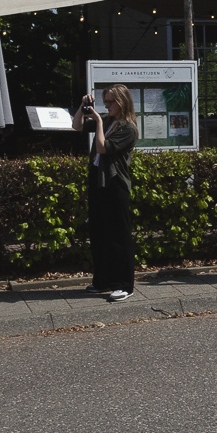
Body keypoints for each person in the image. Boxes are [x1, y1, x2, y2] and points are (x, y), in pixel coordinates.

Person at [71, 85, 138, 302]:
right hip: (98, 182)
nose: (107, 105)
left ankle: (124, 285)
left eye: (111, 102)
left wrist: (99, 121)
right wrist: (83, 107)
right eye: (105, 102)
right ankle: (102, 280)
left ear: (122, 102)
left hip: (115, 184)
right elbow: (76, 126)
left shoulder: (128, 128)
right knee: (99, 233)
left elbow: (102, 148)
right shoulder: (109, 121)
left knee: (119, 235)